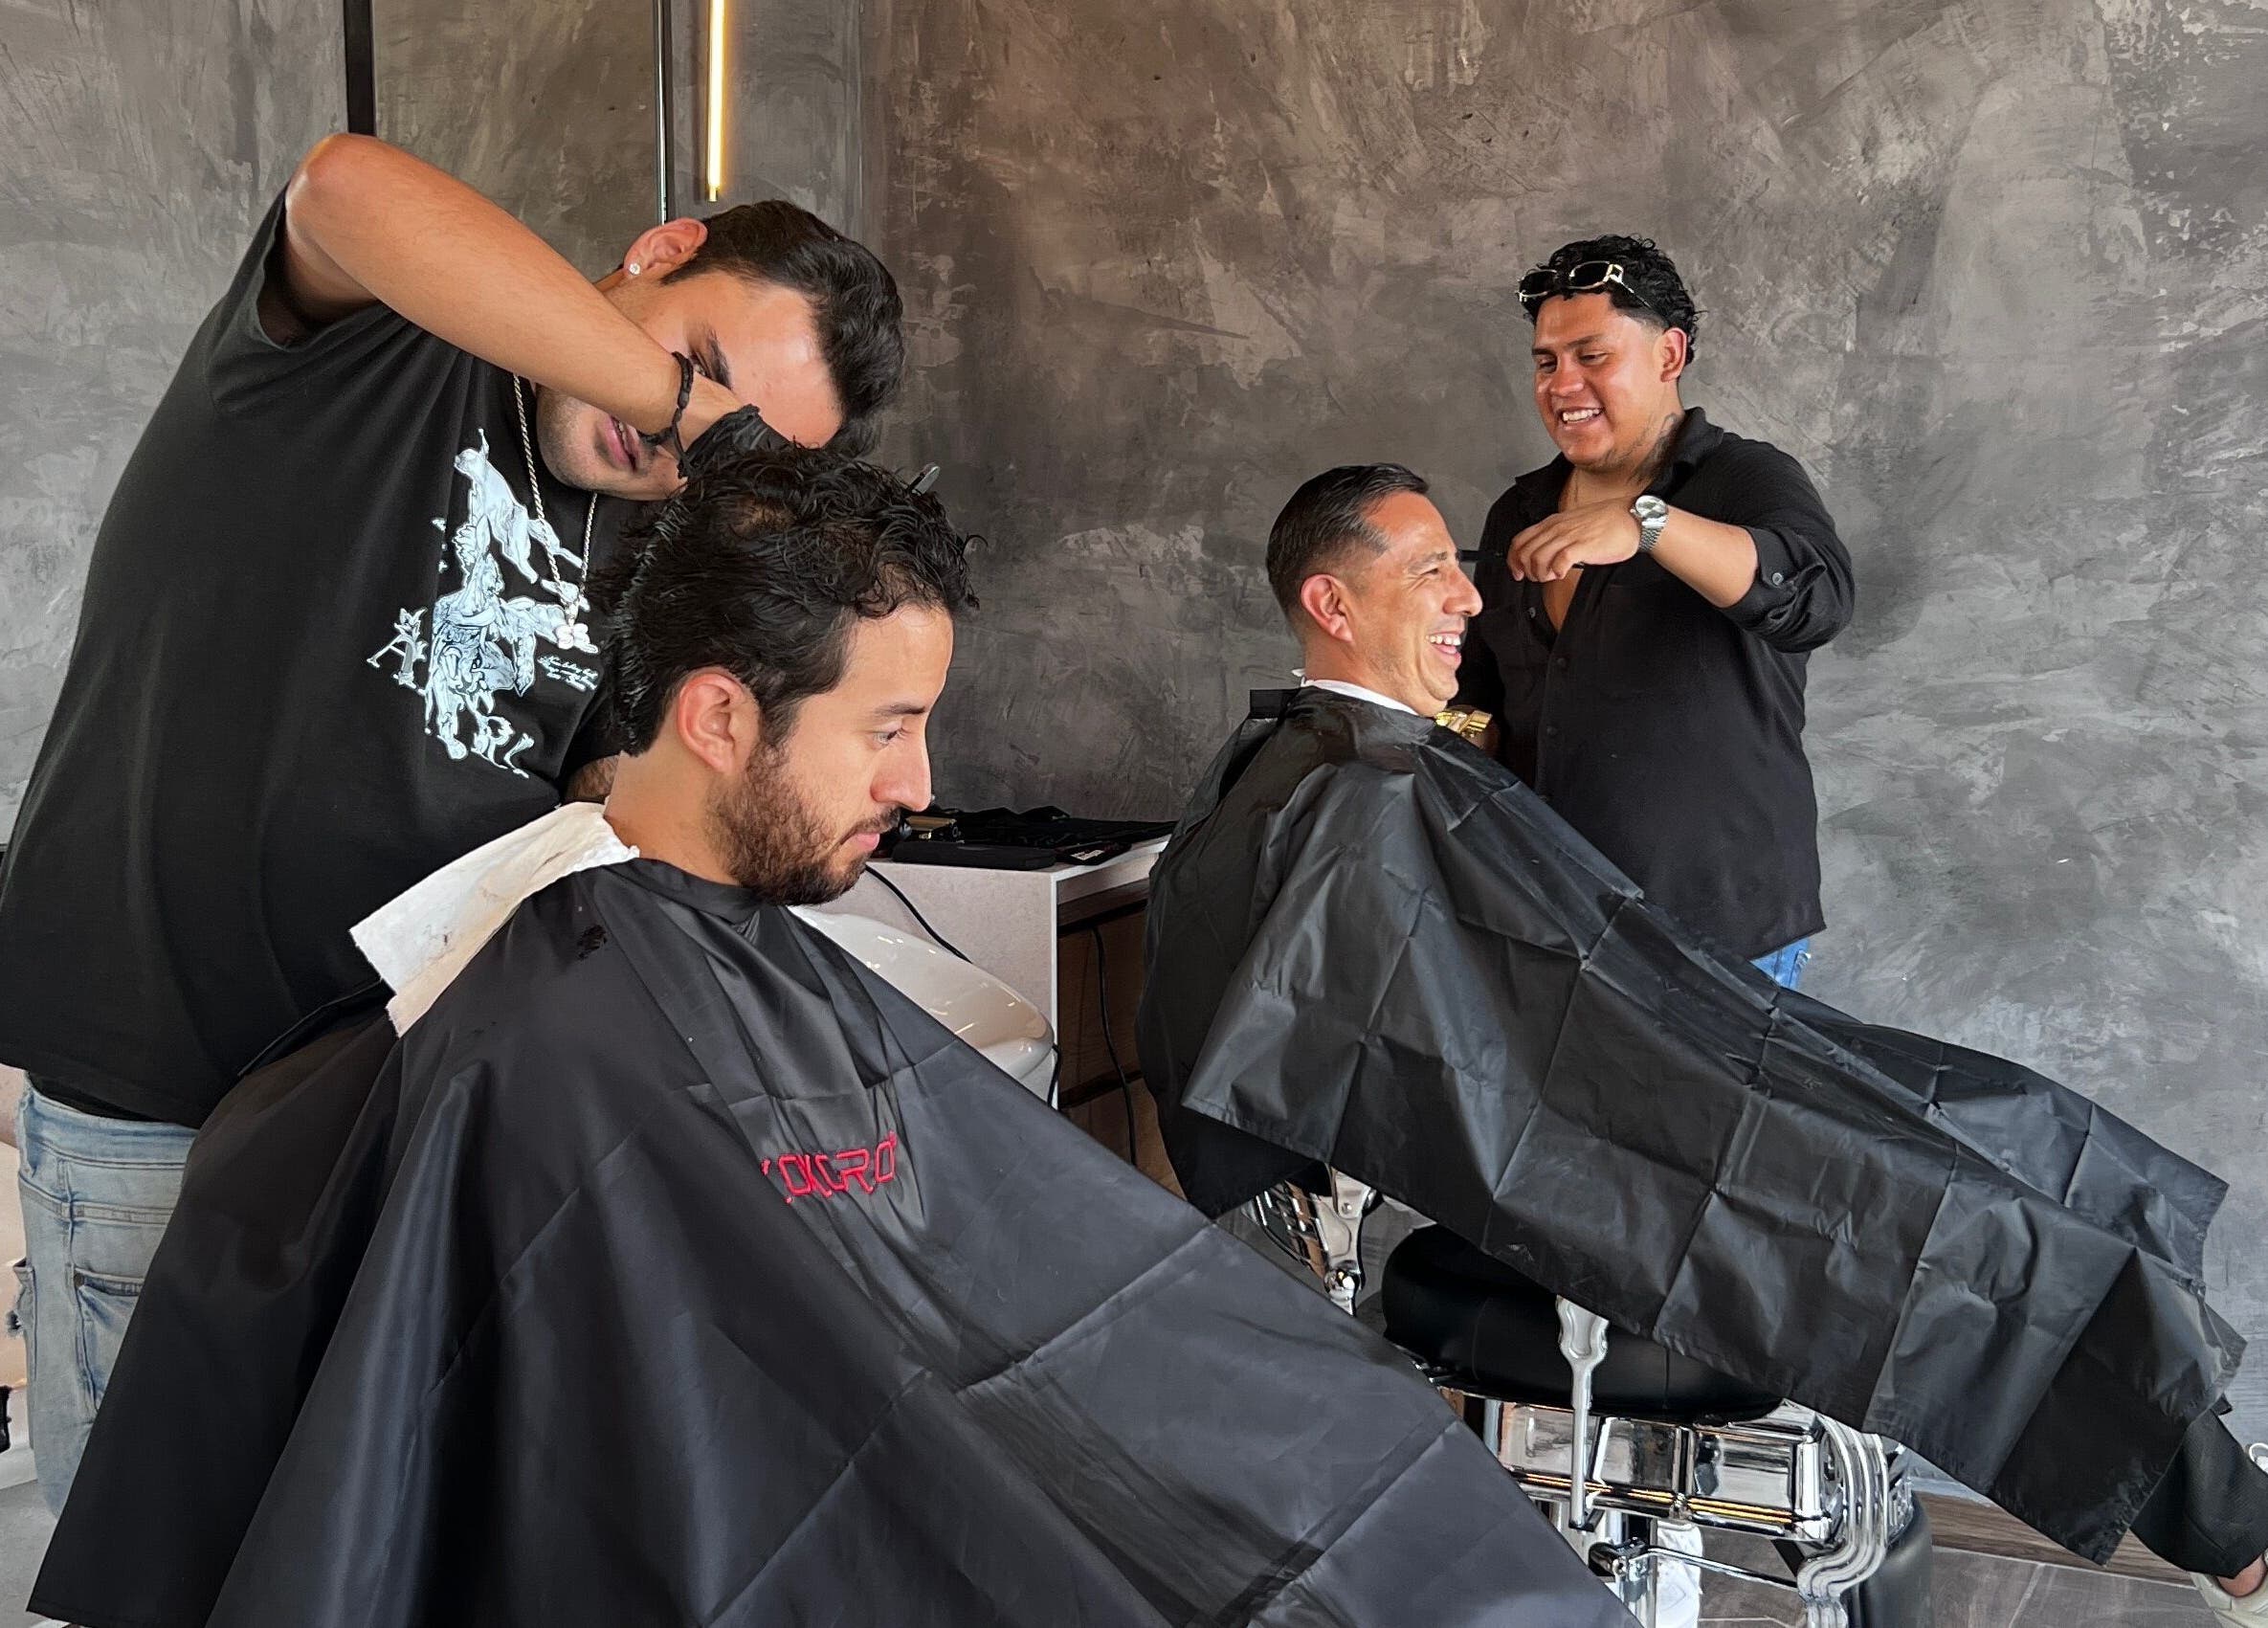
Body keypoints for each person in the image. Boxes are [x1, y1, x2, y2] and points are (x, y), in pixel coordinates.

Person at [32, 443, 1626, 1628]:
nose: (921, 782)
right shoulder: (557, 1031)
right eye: (885, 726)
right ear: (722, 714)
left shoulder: (683, 959)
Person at [1139, 464, 2268, 1624]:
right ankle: (2241, 1542)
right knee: (1984, 1221)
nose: (1468, 600)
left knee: (2010, 1121)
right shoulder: (1355, 798)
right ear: (1334, 606)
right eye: (1431, 570)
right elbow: (1471, 1076)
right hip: (1604, 1185)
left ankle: (2234, 1521)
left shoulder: (1329, 767)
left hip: (1652, 1108)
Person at [0, 132, 903, 1509]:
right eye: (704, 361)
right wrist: (700, 417)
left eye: (727, 445)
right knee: (161, 1560)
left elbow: (583, 798)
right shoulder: (385, 348)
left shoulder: (644, 553)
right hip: (160, 1104)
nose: (673, 442)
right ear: (662, 252)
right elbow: (344, 187)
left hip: (394, 1127)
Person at [1455, 234, 1854, 989]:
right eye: (1546, 361)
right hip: (1555, 928)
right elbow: (1479, 693)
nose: (1562, 383)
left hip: (1721, 940)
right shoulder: (1519, 511)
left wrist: (1648, 524)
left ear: (1670, 355)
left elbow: (1821, 599)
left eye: (1592, 355)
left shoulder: (1745, 478)